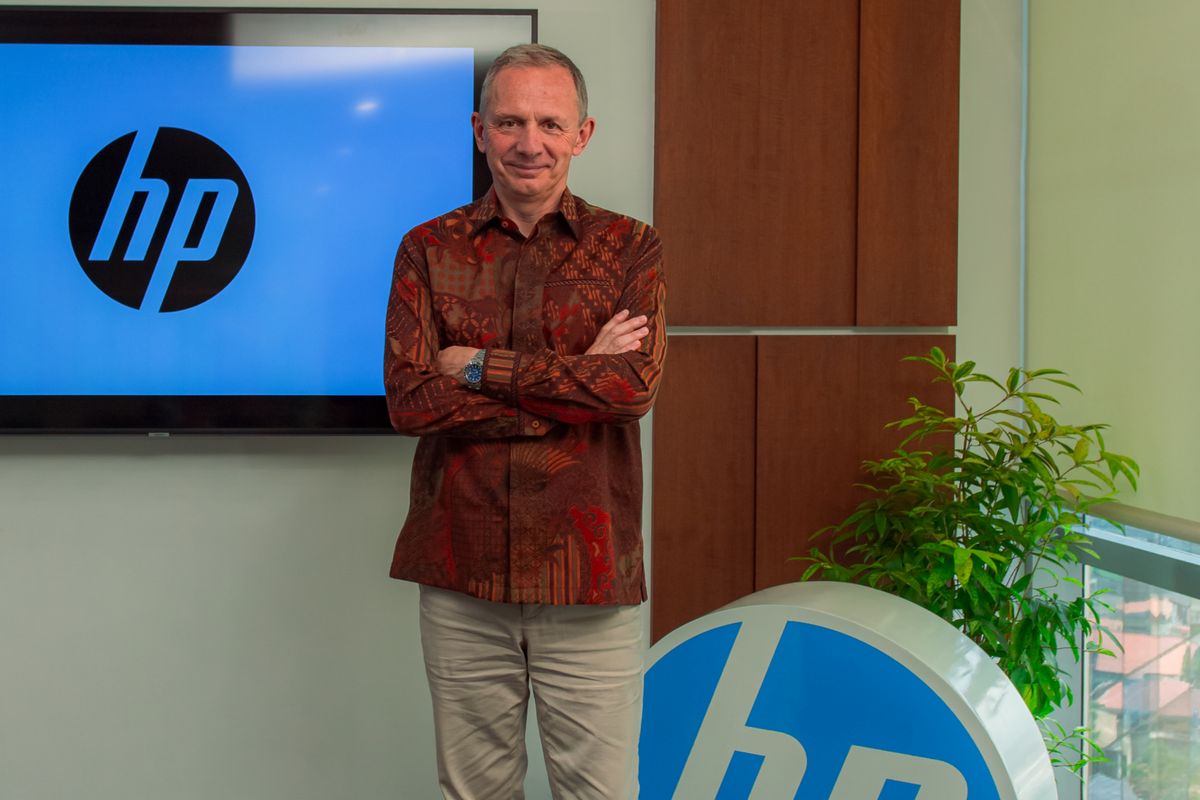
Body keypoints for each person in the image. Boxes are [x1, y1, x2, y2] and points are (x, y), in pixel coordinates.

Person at [383, 43, 666, 800]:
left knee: (601, 793)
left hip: (590, 576)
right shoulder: (425, 250)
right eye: (509, 121)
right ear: (479, 130)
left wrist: (476, 363)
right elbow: (410, 401)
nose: (528, 142)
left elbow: (630, 391)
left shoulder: (632, 248)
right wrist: (575, 388)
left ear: (584, 133)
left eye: (549, 122)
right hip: (461, 576)